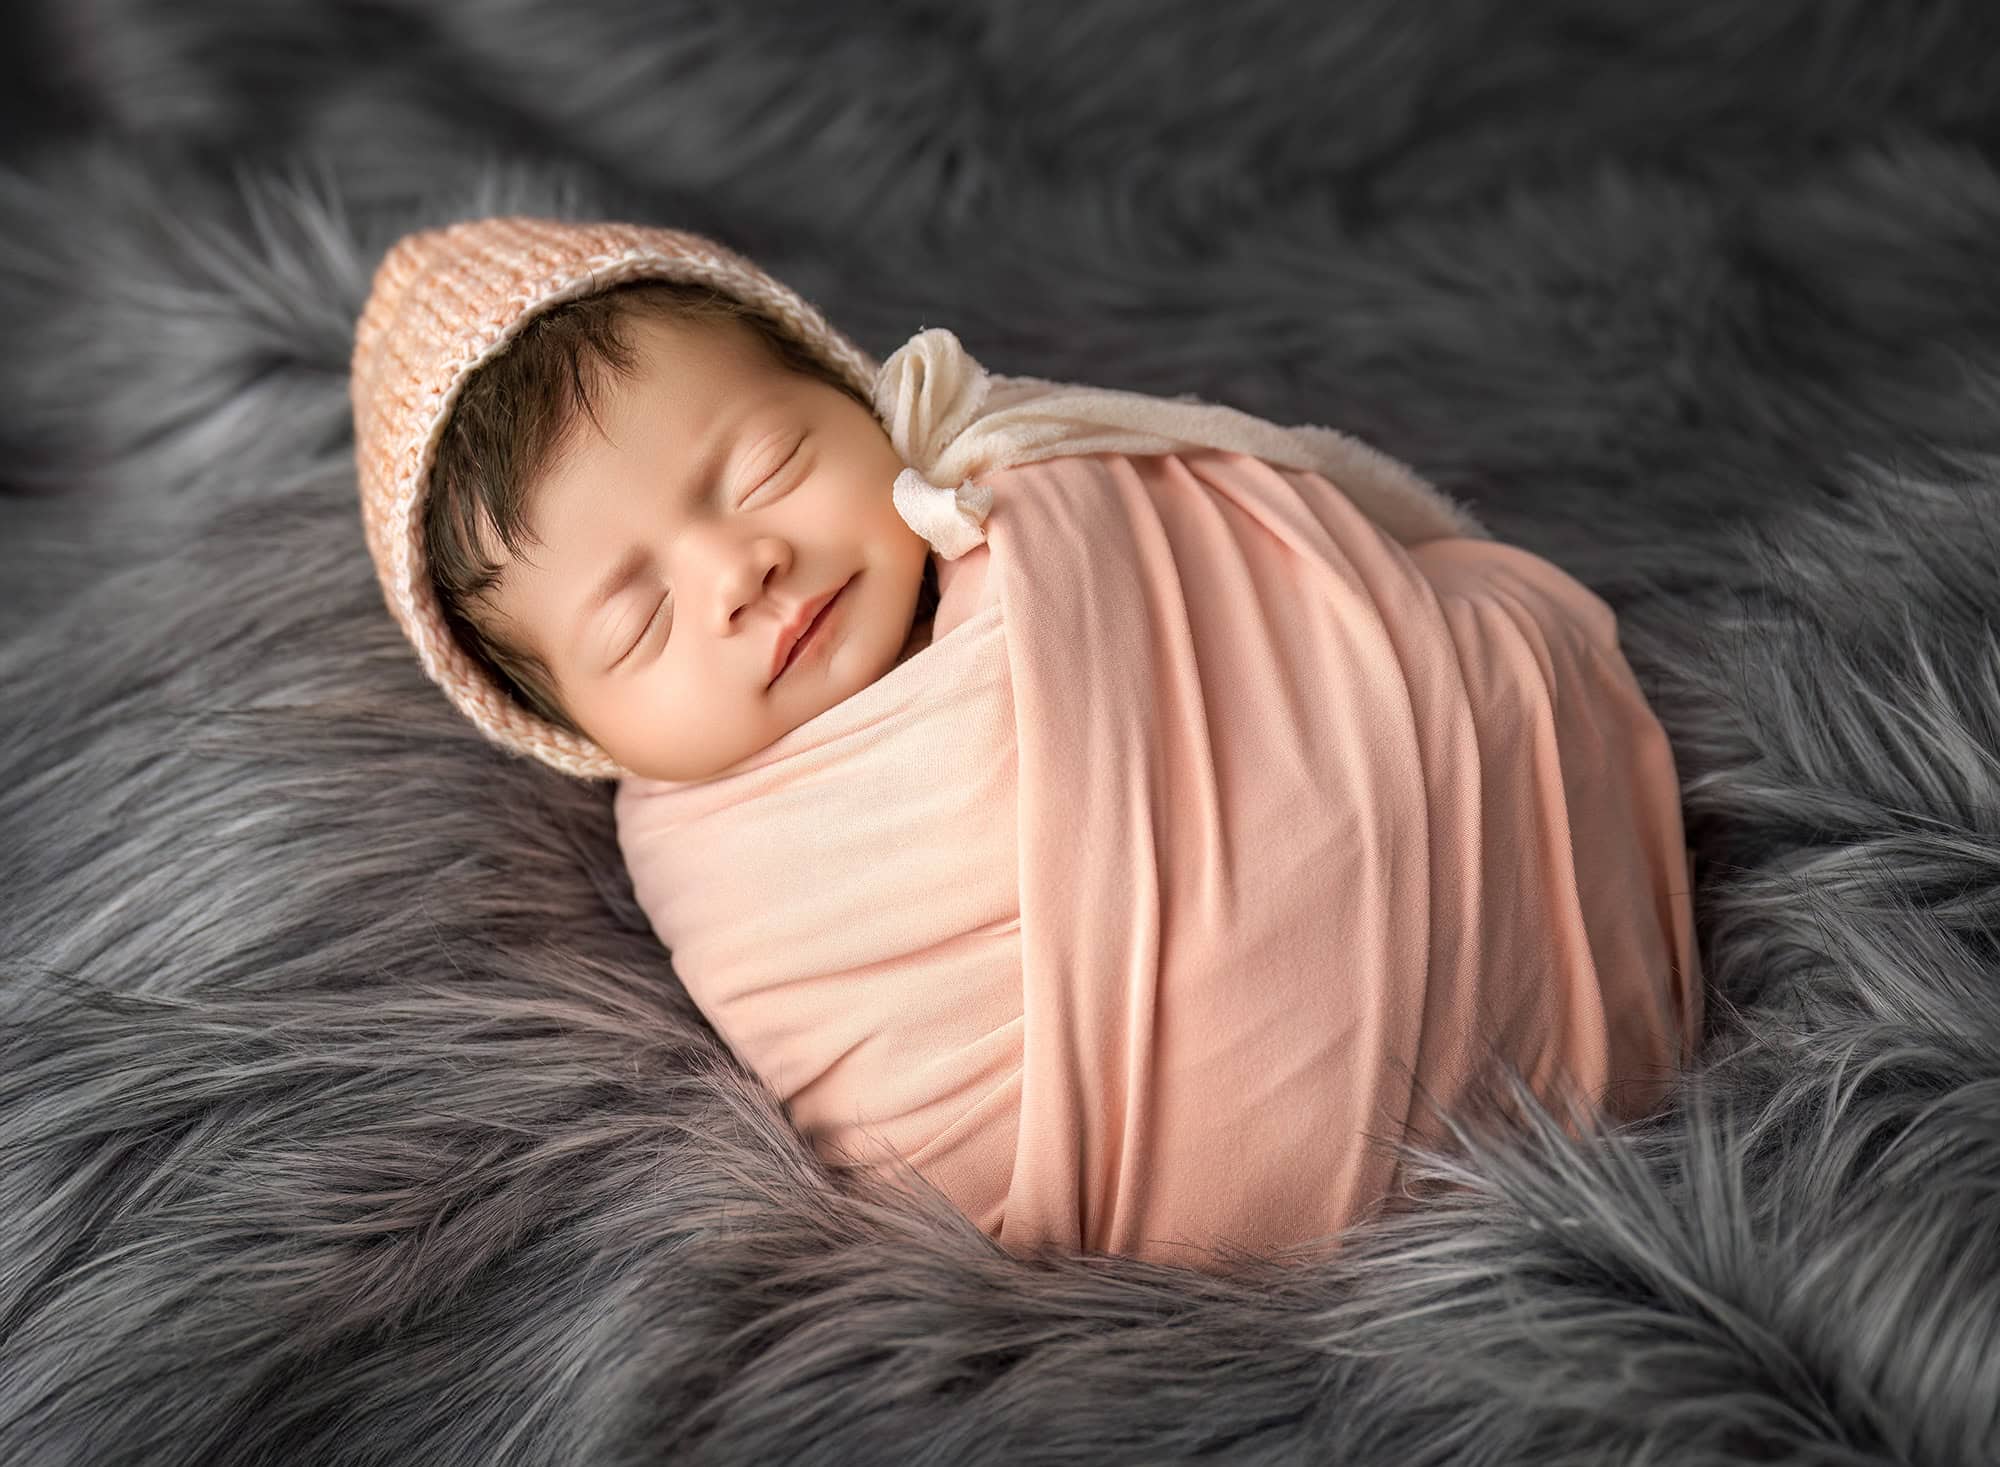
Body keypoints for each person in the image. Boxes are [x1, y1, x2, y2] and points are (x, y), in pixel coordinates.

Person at [351, 216, 1702, 1273]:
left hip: (1461, 914)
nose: (739, 572)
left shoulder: (1070, 505)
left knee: (1481, 655)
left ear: (858, 396)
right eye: (636, 622)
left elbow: (1326, 610)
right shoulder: (722, 864)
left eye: (765, 467)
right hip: (1171, 1238)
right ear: (577, 735)